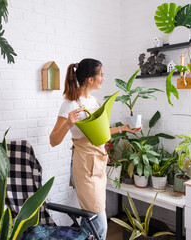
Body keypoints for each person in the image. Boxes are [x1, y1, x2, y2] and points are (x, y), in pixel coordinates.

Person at [50, 58, 141, 239]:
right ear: (90, 79)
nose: (104, 78)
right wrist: (68, 123)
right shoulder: (70, 104)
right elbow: (53, 140)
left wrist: (124, 128)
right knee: (99, 223)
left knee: (89, 221)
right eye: (102, 74)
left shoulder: (94, 100)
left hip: (98, 164)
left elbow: (101, 133)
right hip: (84, 167)